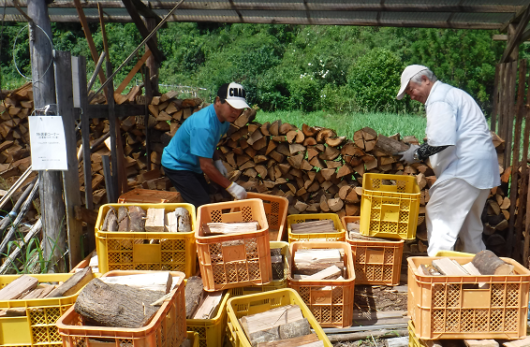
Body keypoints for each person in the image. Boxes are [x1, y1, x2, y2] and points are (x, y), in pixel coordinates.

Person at [396, 65, 500, 256]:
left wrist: (417, 153)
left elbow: (441, 141)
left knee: (439, 216)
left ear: (426, 79)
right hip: (480, 168)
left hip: (465, 168)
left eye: (411, 89)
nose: (412, 95)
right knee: (470, 231)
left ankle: (438, 274)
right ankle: (482, 279)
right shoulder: (451, 94)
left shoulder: (439, 98)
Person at [161, 82, 249, 208]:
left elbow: (211, 142)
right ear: (218, 101)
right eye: (232, 106)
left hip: (192, 164)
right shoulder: (204, 125)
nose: (236, 112)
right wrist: (232, 187)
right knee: (202, 204)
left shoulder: (224, 121)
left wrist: (217, 160)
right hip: (177, 164)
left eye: (240, 108)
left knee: (206, 194)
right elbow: (206, 166)